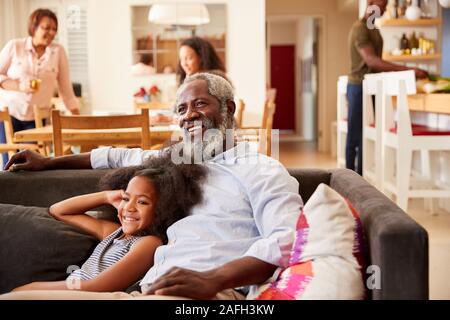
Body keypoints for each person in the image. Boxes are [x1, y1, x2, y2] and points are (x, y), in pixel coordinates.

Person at [3, 73, 302, 300]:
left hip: (211, 294)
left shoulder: (260, 169)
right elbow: (115, 155)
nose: (189, 116)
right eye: (182, 109)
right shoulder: (174, 161)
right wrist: (48, 163)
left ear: (228, 109)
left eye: (200, 104)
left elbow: (288, 239)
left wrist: (214, 279)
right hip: (144, 292)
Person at [10, 155, 206, 293]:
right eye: (126, 198)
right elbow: (58, 211)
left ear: (163, 208)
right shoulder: (113, 233)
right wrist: (106, 196)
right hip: (74, 290)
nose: (129, 208)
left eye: (142, 202)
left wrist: (29, 288)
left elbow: (96, 287)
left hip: (86, 294)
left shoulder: (149, 243)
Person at [346, 0, 428, 175]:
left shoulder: (373, 29)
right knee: (356, 137)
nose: (384, 9)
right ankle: (348, 179)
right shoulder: (360, 28)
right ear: (370, 3)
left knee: (365, 137)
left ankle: (361, 179)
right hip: (359, 87)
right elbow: (372, 61)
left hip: (372, 87)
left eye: (385, 6)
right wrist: (409, 70)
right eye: (381, 5)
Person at [0, 8, 80, 165]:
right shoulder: (15, 46)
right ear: (34, 27)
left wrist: (79, 120)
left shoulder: (58, 52)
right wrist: (19, 86)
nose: (51, 33)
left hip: (36, 119)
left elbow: (66, 90)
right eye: (46, 28)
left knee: (29, 163)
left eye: (54, 29)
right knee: (7, 163)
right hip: (8, 114)